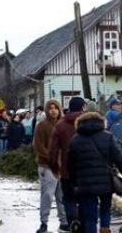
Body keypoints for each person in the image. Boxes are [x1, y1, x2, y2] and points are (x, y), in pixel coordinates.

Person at [68, 111, 122, 233]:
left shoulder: (75, 140)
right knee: (105, 208)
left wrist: (74, 183)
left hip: (84, 183)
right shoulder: (108, 137)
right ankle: (104, 228)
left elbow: (70, 165)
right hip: (105, 181)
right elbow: (118, 157)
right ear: (101, 122)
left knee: (89, 215)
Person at [49, 96, 87, 232]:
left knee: (69, 198)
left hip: (66, 170)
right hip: (86, 170)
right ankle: (83, 223)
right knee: (85, 199)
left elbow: (53, 149)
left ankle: (73, 221)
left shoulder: (60, 125)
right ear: (83, 107)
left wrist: (54, 167)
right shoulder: (89, 123)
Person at [33, 99, 68, 233]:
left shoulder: (63, 125)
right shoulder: (42, 125)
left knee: (62, 196)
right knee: (47, 195)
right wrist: (51, 159)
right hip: (47, 166)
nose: (53, 110)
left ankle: (64, 222)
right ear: (47, 110)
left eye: (56, 108)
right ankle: (44, 223)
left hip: (62, 167)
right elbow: (39, 146)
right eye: (50, 108)